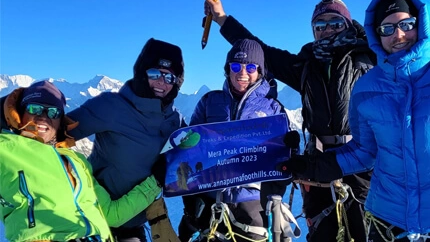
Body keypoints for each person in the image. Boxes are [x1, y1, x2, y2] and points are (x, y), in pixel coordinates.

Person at [203, 0, 430, 242]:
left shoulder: (372, 51)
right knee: (324, 232)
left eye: (334, 23)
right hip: (318, 163)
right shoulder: (304, 65)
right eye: (320, 25)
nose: (327, 30)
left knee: (367, 230)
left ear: (347, 24)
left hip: (366, 159)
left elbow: (422, 20)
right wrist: (223, 19)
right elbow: (260, 51)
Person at [280, 0, 430, 242]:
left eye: (406, 24)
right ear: (377, 35)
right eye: (387, 28)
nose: (398, 35)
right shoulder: (367, 87)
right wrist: (312, 167)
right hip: (388, 224)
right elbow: (364, 152)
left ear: (423, 23)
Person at [0, 80, 162, 242]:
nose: (43, 117)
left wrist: (156, 182)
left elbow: (113, 215)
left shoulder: (77, 162)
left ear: (60, 121)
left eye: (53, 112)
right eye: (35, 109)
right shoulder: (5, 149)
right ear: (20, 113)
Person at [66, 38, 186, 241]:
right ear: (142, 72)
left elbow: (195, 153)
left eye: (169, 78)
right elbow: (56, 130)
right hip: (93, 219)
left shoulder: (175, 120)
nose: (161, 83)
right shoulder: (110, 107)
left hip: (134, 222)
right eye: (155, 74)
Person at [178, 39, 294, 242]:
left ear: (260, 71)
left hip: (252, 200)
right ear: (227, 69)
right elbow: (191, 148)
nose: (242, 73)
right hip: (210, 198)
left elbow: (286, 165)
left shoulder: (272, 109)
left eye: (251, 67)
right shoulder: (209, 101)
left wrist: (290, 150)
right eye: (236, 66)